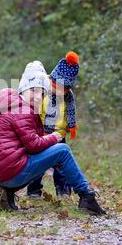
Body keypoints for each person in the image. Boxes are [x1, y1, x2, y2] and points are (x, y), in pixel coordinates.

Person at [0, 64, 106, 215]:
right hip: (11, 172)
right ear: (23, 89)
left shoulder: (12, 105)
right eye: (33, 90)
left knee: (50, 153)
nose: (37, 97)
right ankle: (87, 197)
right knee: (63, 150)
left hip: (1, 175)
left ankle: (6, 192)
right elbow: (34, 146)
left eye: (42, 94)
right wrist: (53, 137)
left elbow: (30, 141)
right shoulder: (23, 111)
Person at [26, 52, 81, 198]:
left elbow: (70, 112)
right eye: (57, 87)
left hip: (59, 135)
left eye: (64, 90)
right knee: (39, 163)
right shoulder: (43, 92)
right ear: (52, 81)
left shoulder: (68, 97)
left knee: (62, 166)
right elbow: (34, 110)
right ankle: (33, 190)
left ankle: (63, 190)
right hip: (42, 133)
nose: (59, 92)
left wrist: (71, 125)